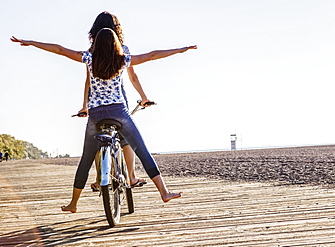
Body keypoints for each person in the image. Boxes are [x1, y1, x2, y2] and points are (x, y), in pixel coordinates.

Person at [11, 29, 197, 213]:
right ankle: (163, 192)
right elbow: (152, 55)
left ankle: (73, 203)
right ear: (116, 44)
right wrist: (180, 50)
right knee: (142, 149)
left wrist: (31, 42)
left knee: (86, 159)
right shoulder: (123, 60)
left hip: (96, 115)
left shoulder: (89, 59)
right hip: (119, 112)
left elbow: (59, 50)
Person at [79, 12, 149, 190]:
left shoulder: (91, 52)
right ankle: (132, 177)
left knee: (97, 138)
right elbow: (133, 77)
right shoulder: (123, 49)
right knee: (126, 137)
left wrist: (84, 106)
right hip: (118, 98)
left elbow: (88, 81)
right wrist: (144, 97)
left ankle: (98, 178)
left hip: (95, 101)